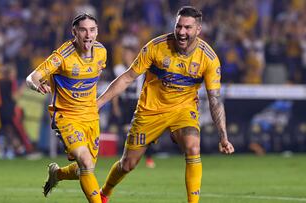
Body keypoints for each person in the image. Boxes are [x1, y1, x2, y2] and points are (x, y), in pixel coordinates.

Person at [97, 6, 234, 203]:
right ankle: (104, 193)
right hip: (150, 110)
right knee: (128, 164)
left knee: (193, 147)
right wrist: (99, 103)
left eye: (188, 27)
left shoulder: (209, 59)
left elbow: (214, 99)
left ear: (198, 30)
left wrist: (223, 136)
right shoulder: (156, 47)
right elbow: (127, 77)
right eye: (179, 26)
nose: (182, 32)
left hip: (183, 110)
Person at [26, 13, 106, 203]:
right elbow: (32, 77)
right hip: (67, 116)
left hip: (91, 116)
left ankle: (57, 174)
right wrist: (37, 85)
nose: (88, 35)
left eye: (92, 30)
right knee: (86, 162)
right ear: (74, 32)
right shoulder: (62, 56)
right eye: (83, 30)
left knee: (84, 169)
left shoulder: (102, 52)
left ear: (97, 32)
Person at [111, 35, 156, 168]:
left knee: (143, 131)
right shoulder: (118, 69)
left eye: (128, 54)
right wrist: (115, 106)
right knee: (124, 130)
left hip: (137, 102)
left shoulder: (141, 68)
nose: (126, 56)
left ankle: (148, 157)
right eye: (124, 54)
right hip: (124, 102)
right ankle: (126, 157)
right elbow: (115, 88)